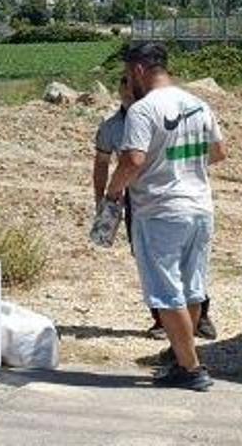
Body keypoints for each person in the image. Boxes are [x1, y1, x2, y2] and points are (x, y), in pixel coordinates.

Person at [106, 43, 227, 392]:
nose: (129, 82)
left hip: (160, 211)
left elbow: (132, 161)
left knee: (167, 292)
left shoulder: (144, 111)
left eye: (129, 75)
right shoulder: (199, 104)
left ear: (140, 71)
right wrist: (182, 164)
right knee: (191, 288)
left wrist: (113, 193)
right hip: (200, 208)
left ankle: (191, 369)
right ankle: (180, 357)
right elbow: (219, 152)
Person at [93, 77, 218, 341]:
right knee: (153, 262)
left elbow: (137, 161)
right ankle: (164, 322)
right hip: (142, 200)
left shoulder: (156, 113)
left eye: (131, 86)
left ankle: (195, 324)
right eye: (123, 88)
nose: (128, 93)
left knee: (182, 268)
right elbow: (102, 163)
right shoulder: (112, 127)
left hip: (164, 200)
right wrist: (102, 200)